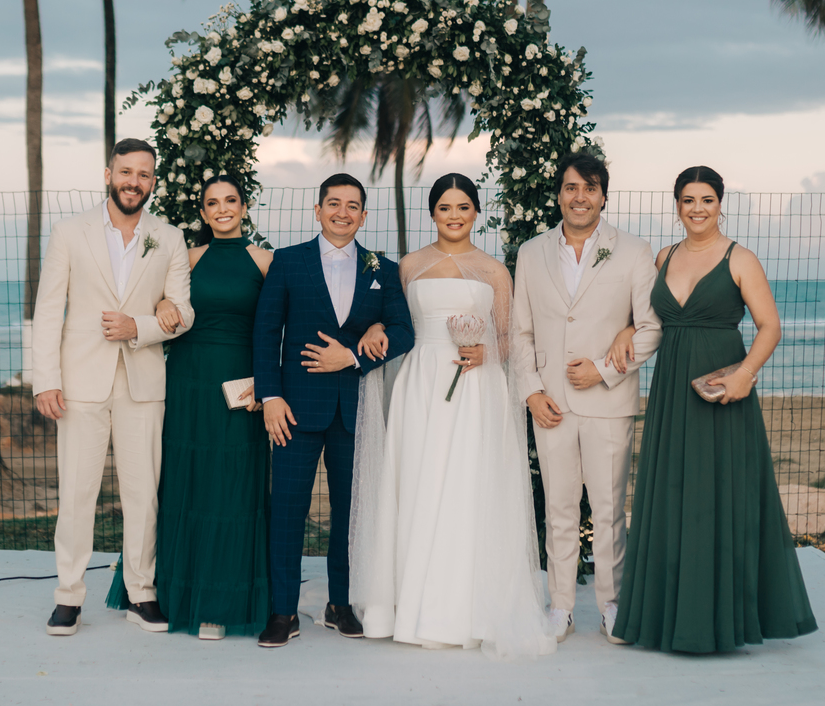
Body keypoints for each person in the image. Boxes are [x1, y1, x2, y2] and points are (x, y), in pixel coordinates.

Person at [612, 166, 818, 652]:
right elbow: (646, 316)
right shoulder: (663, 257)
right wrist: (625, 329)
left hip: (723, 391)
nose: (697, 209)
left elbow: (769, 326)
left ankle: (721, 619)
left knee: (720, 499)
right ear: (677, 205)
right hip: (669, 394)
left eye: (706, 199)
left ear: (720, 203)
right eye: (688, 200)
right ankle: (668, 618)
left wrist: (745, 374)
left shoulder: (740, 258)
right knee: (673, 494)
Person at [350, 174, 556, 660]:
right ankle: (408, 604)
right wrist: (378, 322)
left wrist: (487, 352)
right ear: (433, 213)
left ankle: (468, 608)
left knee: (469, 484)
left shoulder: (493, 272)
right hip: (421, 382)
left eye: (464, 207)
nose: (455, 215)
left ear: (476, 213)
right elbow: (396, 322)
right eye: (445, 207)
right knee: (418, 483)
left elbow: (507, 341)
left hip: (475, 389)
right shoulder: (409, 266)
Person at [33, 138, 194, 637]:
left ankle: (141, 593)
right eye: (126, 172)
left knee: (143, 494)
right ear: (109, 174)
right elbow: (47, 310)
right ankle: (69, 596)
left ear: (153, 181)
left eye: (144, 175)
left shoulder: (168, 237)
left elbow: (183, 312)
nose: (134, 182)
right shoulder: (69, 231)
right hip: (80, 382)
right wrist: (46, 380)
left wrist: (140, 327)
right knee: (77, 492)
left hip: (143, 382)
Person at [104, 175, 274, 640]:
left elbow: (276, 327)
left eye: (230, 201)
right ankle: (169, 594)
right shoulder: (186, 255)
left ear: (245, 206)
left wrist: (269, 384)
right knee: (180, 483)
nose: (222, 209)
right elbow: (157, 298)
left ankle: (218, 603)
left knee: (231, 489)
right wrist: (160, 302)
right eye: (212, 203)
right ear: (202, 212)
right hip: (186, 382)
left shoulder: (264, 261)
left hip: (242, 389)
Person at [252, 173, 415, 648]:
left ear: (364, 216)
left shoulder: (382, 269)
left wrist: (358, 355)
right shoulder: (288, 262)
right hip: (293, 410)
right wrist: (271, 396)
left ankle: (340, 604)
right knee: (286, 511)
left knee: (349, 512)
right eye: (334, 203)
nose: (343, 212)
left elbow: (404, 331)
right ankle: (283, 611)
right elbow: (266, 334)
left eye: (353, 205)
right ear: (318, 210)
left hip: (353, 410)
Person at [512, 152, 662, 643]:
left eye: (590, 188)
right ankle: (560, 607)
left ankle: (612, 604)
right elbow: (521, 334)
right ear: (559, 193)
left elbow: (651, 328)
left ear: (603, 195)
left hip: (609, 403)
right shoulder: (531, 253)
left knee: (608, 509)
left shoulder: (635, 253)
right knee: (557, 508)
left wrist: (601, 370)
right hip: (550, 405)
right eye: (571, 187)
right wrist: (532, 391)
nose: (580, 197)